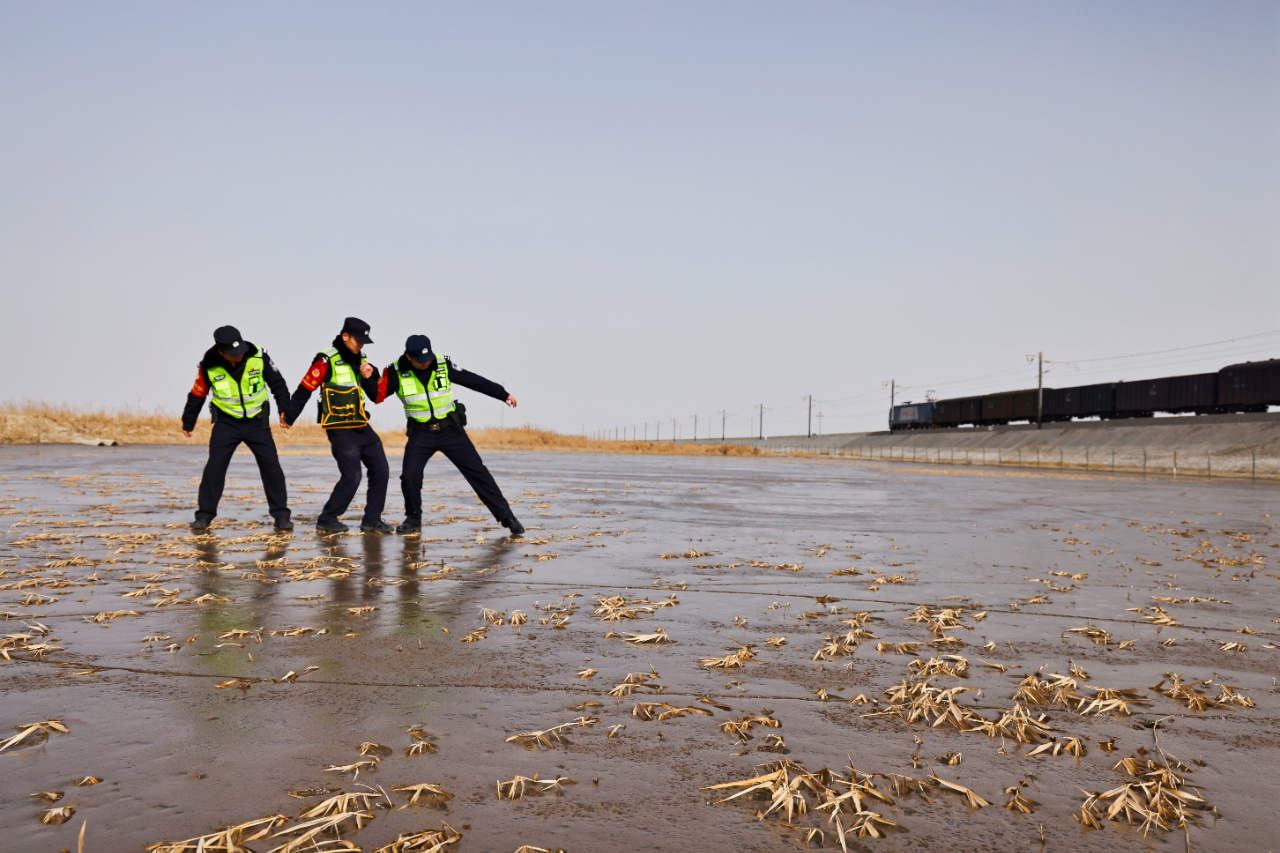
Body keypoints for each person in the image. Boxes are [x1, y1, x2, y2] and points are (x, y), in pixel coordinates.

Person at [372, 334, 524, 536]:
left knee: (478, 473)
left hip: (451, 431)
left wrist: (502, 394)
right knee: (410, 476)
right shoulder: (395, 371)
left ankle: (507, 517)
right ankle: (413, 519)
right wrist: (368, 376)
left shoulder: (443, 364)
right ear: (408, 357)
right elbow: (377, 395)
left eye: (427, 359)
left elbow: (472, 380)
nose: (426, 364)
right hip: (420, 434)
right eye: (420, 361)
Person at [284, 317, 392, 534]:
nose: (361, 345)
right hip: (340, 428)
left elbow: (373, 395)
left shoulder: (362, 359)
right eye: (358, 340)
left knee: (381, 469)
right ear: (345, 336)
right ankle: (328, 518)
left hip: (361, 424)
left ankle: (372, 520)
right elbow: (305, 388)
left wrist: (371, 376)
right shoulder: (326, 359)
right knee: (352, 475)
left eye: (364, 341)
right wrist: (290, 415)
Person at [181, 325, 293, 532]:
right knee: (214, 468)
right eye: (233, 354)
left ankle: (281, 516)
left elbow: (278, 384)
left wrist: (285, 410)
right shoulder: (209, 365)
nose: (239, 355)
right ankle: (204, 516)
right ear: (221, 352)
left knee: (272, 468)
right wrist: (188, 422)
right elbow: (197, 393)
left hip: (257, 422)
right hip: (226, 423)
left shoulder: (258, 356)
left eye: (240, 350)